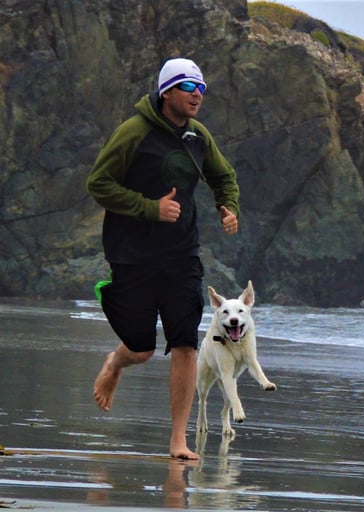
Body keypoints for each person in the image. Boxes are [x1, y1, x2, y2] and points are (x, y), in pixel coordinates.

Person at [86, 57, 240, 460]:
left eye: (202, 89)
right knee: (140, 349)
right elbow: (98, 184)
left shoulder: (198, 137)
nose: (197, 96)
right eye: (189, 88)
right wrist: (150, 208)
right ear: (167, 91)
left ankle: (178, 441)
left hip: (181, 256)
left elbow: (222, 175)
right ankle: (116, 362)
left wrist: (227, 205)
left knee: (185, 342)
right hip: (132, 255)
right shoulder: (133, 133)